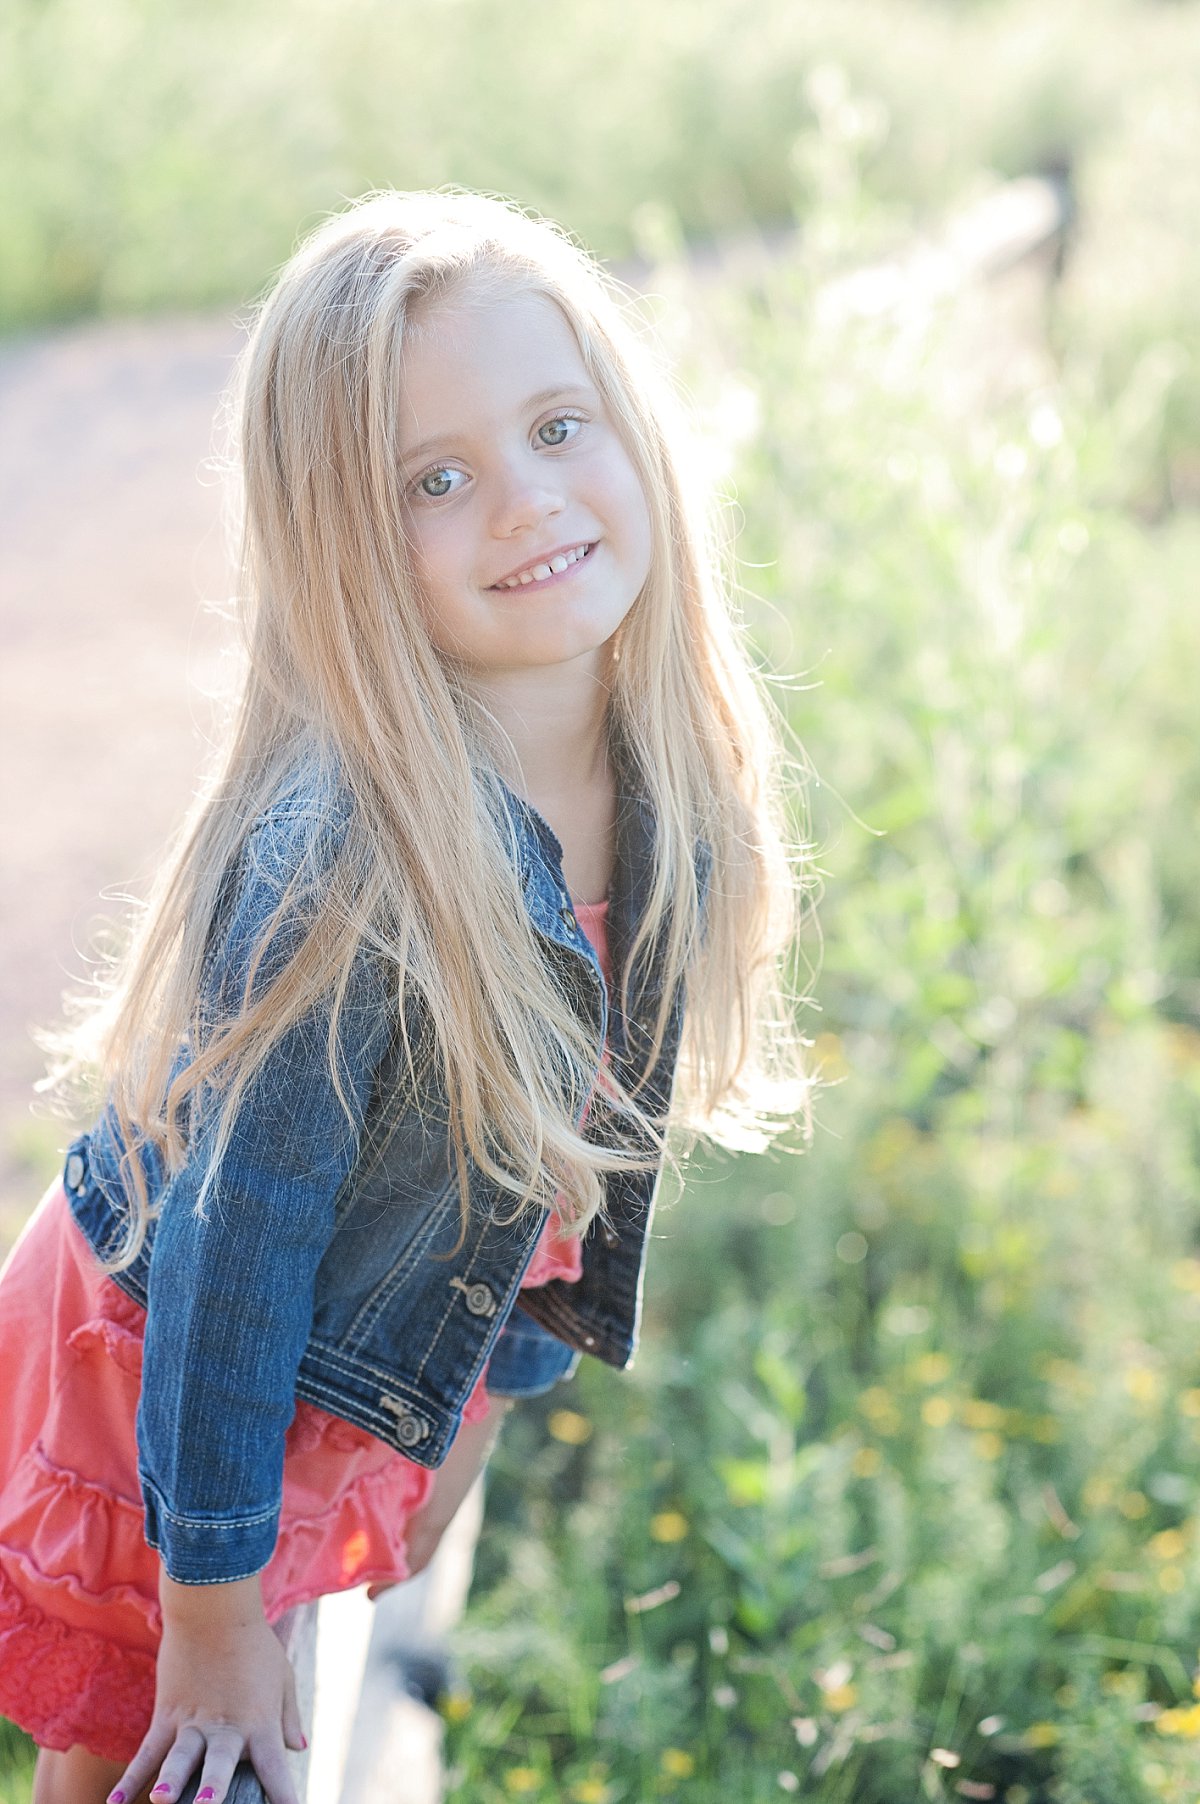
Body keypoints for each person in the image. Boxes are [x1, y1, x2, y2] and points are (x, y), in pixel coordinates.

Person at [0, 188, 810, 1804]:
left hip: (334, 1373)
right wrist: (212, 1609)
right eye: (435, 480)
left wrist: (485, 1412)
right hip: (170, 1378)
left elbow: (574, 1178)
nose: (526, 501)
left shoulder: (670, 789)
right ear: (347, 543)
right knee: (145, 1756)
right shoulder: (355, 865)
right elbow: (235, 1259)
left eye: (558, 427)